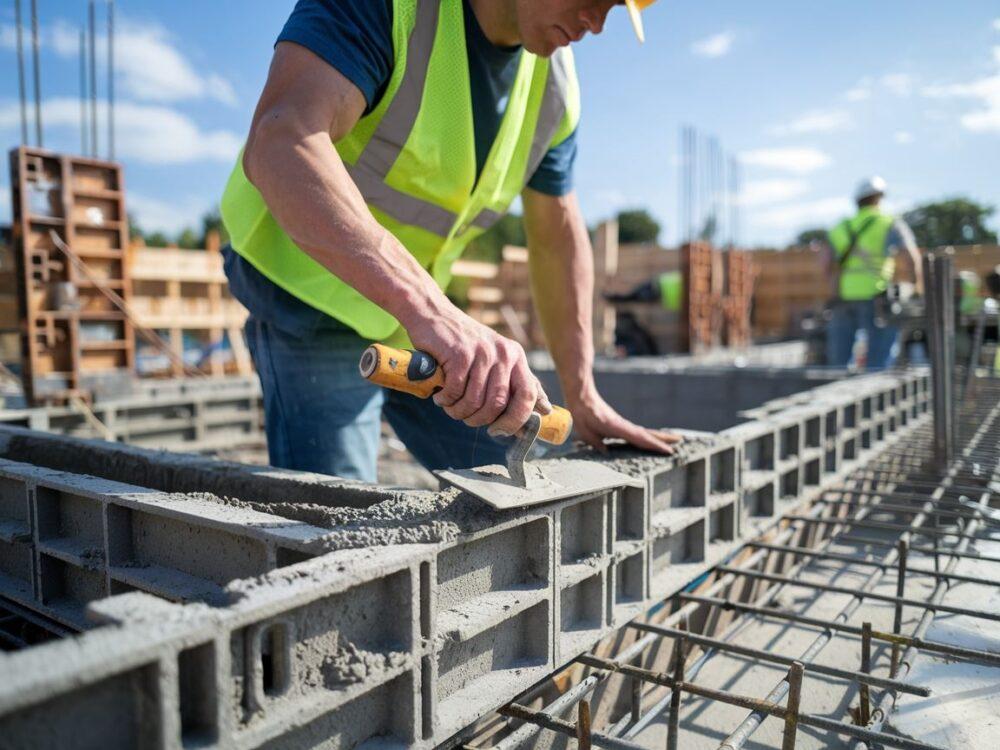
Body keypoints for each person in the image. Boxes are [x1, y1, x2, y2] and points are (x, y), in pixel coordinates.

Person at [220, 0, 679, 482]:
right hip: (307, 290)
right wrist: (431, 312)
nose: (598, 24)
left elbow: (556, 237)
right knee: (340, 516)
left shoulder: (554, 87)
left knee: (522, 479)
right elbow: (282, 139)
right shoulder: (393, 8)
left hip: (415, 315)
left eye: (614, 10)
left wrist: (582, 393)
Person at [824, 177, 922, 370]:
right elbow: (912, 257)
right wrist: (917, 287)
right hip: (877, 297)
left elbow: (825, 264)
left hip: (844, 297)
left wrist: (834, 289)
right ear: (879, 198)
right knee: (878, 359)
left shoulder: (840, 227)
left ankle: (841, 396)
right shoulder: (889, 223)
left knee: (839, 363)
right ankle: (872, 398)